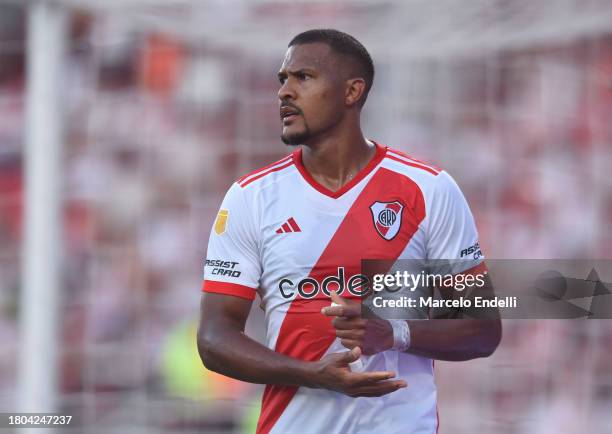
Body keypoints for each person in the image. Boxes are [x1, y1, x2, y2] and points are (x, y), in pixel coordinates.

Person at [197, 29, 501, 434]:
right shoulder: (250, 198)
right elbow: (214, 337)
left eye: (302, 77)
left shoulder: (428, 190)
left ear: (352, 91)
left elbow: (483, 329)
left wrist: (395, 333)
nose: (284, 92)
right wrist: (313, 373)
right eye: (281, 80)